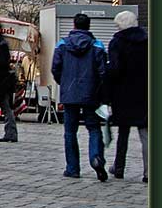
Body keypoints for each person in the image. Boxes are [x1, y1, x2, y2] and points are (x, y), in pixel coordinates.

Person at [52, 13, 108, 181]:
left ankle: (72, 168)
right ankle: (96, 157)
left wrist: (64, 82)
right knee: (94, 128)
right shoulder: (97, 45)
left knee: (70, 132)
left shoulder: (62, 44)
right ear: (88, 27)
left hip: (70, 93)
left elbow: (55, 68)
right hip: (91, 93)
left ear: (74, 25)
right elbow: (103, 72)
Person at [107, 10, 148, 182]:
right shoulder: (147, 41)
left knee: (123, 133)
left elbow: (115, 69)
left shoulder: (117, 43)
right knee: (145, 134)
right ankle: (149, 171)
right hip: (145, 93)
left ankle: (119, 167)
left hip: (122, 94)